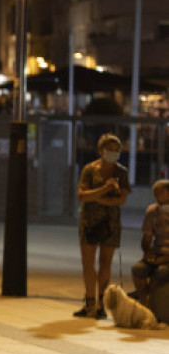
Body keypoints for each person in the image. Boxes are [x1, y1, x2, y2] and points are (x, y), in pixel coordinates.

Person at [76, 133, 130, 318]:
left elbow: (121, 200)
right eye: (109, 150)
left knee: (105, 262)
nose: (113, 154)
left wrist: (96, 197)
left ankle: (101, 303)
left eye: (116, 151)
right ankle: (89, 301)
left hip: (111, 223)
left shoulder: (121, 172)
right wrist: (105, 190)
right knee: (87, 263)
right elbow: (81, 196)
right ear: (101, 151)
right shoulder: (89, 170)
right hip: (89, 221)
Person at [131, 179, 169, 308]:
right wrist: (148, 252)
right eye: (155, 194)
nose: (157, 197)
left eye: (161, 193)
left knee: (161, 272)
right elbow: (147, 238)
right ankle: (144, 302)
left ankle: (149, 299)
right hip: (158, 254)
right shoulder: (152, 211)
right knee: (138, 269)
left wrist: (164, 259)